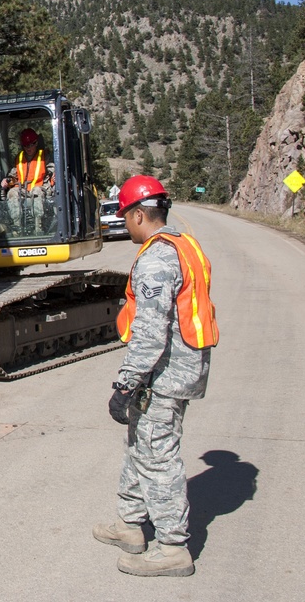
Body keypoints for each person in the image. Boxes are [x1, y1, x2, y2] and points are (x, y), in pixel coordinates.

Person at [92, 175, 219, 577]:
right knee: (140, 443)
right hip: (181, 367)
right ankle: (130, 524)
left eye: (124, 216)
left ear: (140, 214)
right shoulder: (184, 244)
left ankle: (172, 547)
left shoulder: (156, 258)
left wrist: (126, 383)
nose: (123, 224)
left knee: (157, 455)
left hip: (164, 374)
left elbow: (149, 333)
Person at [0, 128, 51, 233]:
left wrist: (53, 176)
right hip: (23, 189)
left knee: (36, 192)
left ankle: (38, 228)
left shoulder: (44, 156)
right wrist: (8, 180)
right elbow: (14, 175)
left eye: (32, 144)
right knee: (12, 193)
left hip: (40, 187)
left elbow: (52, 170)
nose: (29, 148)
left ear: (36, 143)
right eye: (26, 145)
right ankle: (17, 227)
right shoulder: (19, 158)